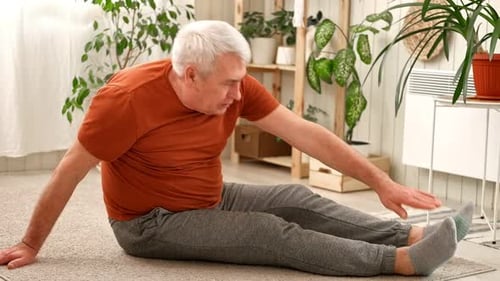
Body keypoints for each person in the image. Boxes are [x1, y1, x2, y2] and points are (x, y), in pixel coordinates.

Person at [0, 20, 473, 277]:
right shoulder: (125, 101)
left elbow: (305, 133)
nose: (237, 94)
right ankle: (399, 263)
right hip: (149, 223)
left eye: (239, 80)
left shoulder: (234, 84)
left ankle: (406, 235)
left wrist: (380, 181)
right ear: (189, 74)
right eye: (228, 84)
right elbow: (68, 169)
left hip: (210, 195)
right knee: (271, 231)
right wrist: (30, 242)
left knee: (298, 199)